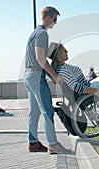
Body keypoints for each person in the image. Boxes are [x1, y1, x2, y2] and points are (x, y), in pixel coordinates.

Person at [23, 6, 70, 154]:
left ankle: (33, 143)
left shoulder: (34, 33)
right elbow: (40, 59)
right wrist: (54, 76)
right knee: (47, 110)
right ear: (48, 17)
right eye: (55, 19)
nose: (55, 23)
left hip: (28, 76)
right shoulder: (42, 34)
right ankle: (53, 144)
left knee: (34, 112)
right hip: (36, 77)